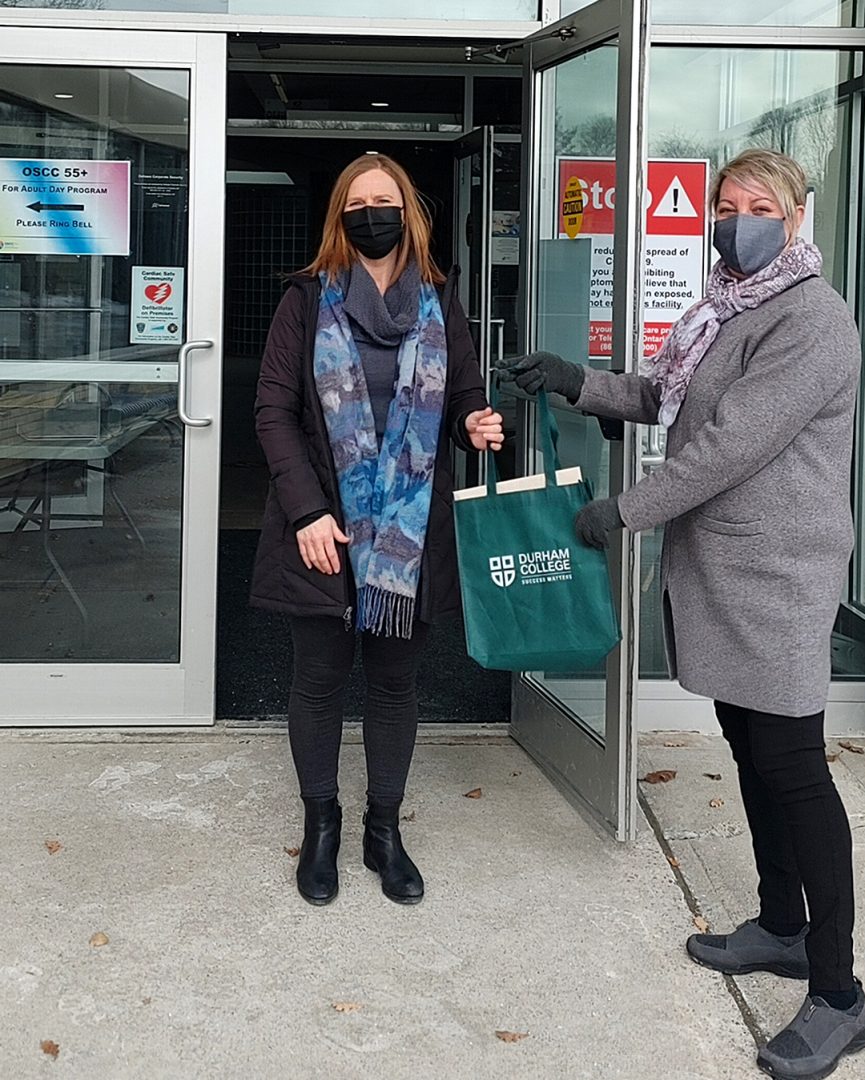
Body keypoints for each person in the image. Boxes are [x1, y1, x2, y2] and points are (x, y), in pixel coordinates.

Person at [499, 148, 864, 1080]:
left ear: (795, 217)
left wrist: (621, 512)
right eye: (726, 204)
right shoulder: (720, 308)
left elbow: (728, 448)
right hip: (721, 567)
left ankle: (838, 994)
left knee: (792, 767)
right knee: (749, 748)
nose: (736, 219)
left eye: (758, 206)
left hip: (775, 576)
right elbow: (666, 398)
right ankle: (782, 925)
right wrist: (572, 379)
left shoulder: (811, 321)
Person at [251, 153, 503, 909]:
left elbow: (462, 392)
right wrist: (306, 512)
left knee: (395, 685)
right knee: (319, 682)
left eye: (383, 200)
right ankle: (321, 824)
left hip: (407, 534)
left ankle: (383, 830)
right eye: (357, 202)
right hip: (323, 529)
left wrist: (476, 421)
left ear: (407, 213)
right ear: (340, 216)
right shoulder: (304, 300)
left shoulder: (438, 299)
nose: (370, 212)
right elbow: (273, 413)